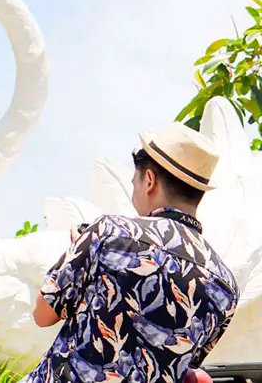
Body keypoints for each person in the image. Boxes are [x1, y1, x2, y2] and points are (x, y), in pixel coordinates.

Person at [25, 122, 238, 382]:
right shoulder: (225, 287)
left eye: (134, 181)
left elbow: (42, 314)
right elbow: (182, 363)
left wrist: (80, 255)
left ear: (149, 180)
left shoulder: (109, 232)